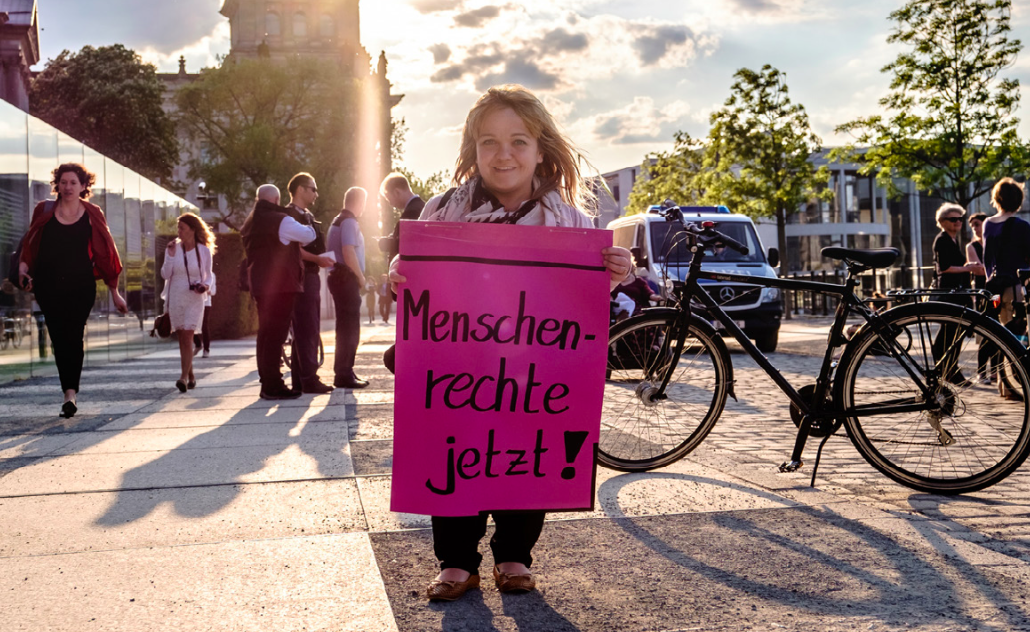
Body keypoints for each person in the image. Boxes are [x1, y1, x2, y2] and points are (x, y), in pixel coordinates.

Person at [388, 84, 632, 602]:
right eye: (489, 142)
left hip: (534, 368)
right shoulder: (441, 211)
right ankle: (456, 560)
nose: (503, 155)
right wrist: (400, 272)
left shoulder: (571, 222)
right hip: (459, 365)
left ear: (541, 150)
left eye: (518, 141)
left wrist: (613, 270)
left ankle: (515, 552)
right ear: (472, 151)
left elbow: (582, 300)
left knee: (531, 444)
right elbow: (415, 275)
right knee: (453, 443)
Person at [18, 163, 128, 418]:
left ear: (83, 187)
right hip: (48, 285)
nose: (67, 187)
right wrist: (23, 271)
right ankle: (68, 391)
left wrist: (115, 292)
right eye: (63, 182)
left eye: (73, 182)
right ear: (57, 184)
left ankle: (71, 394)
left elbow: (106, 253)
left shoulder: (92, 214)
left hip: (81, 286)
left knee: (74, 334)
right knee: (59, 337)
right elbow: (29, 246)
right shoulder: (44, 210)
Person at [241, 184, 316, 400]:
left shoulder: (250, 222)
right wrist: (306, 219)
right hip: (282, 286)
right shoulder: (280, 220)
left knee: (265, 335)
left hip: (260, 285)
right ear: (275, 200)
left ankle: (267, 382)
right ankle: (274, 385)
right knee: (276, 335)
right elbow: (308, 235)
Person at [285, 173, 335, 394]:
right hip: (303, 276)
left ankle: (301, 378)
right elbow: (293, 249)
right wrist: (317, 259)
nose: (316, 193)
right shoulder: (289, 215)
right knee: (307, 327)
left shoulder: (304, 215)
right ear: (300, 190)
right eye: (312, 189)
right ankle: (309, 379)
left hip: (310, 275)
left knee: (307, 327)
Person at [982, 178, 1030, 397]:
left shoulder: (987, 224)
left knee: (1003, 336)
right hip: (1017, 287)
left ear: (997, 199)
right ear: (1019, 200)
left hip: (995, 288)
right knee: (1019, 336)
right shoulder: (1022, 226)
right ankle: (1017, 385)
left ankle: (1005, 387)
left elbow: (986, 260)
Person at [162, 213, 215, 393]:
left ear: (192, 230)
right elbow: (165, 274)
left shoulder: (204, 251)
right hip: (176, 295)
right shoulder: (173, 249)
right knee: (183, 338)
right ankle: (190, 375)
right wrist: (169, 256)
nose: (179, 232)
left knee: (188, 335)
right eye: (178, 228)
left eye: (182, 228)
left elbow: (208, 275)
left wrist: (204, 286)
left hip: (195, 298)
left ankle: (183, 377)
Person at [930, 203, 981, 383]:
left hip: (957, 292)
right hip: (949, 293)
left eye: (960, 219)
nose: (958, 222)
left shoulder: (952, 240)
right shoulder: (942, 240)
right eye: (953, 219)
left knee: (954, 330)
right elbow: (944, 268)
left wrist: (966, 268)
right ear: (942, 222)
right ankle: (947, 368)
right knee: (951, 330)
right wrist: (967, 268)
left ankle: (946, 368)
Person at [326, 186, 369, 389]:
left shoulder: (338, 220)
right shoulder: (350, 221)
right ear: (360, 202)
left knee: (344, 327)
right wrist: (361, 278)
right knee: (350, 329)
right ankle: (344, 373)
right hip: (346, 278)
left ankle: (344, 372)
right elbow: (348, 251)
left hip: (339, 278)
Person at [966, 212, 995, 383]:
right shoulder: (972, 246)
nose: (975, 228)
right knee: (985, 331)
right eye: (973, 226)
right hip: (982, 292)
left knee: (1000, 329)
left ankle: (996, 371)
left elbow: (982, 267)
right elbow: (977, 270)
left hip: (995, 289)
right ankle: (982, 371)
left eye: (978, 224)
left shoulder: (993, 242)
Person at [379, 172, 426, 262]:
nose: (391, 204)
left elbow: (406, 243)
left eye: (389, 199)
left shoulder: (412, 212)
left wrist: (384, 243)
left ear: (397, 192)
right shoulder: (422, 206)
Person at [194, 271, 216, 358]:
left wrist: (205, 290)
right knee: (191, 324)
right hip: (194, 303)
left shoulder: (212, 275)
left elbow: (213, 291)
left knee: (204, 325)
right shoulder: (195, 273)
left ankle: (206, 349)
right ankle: (198, 344)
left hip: (206, 303)